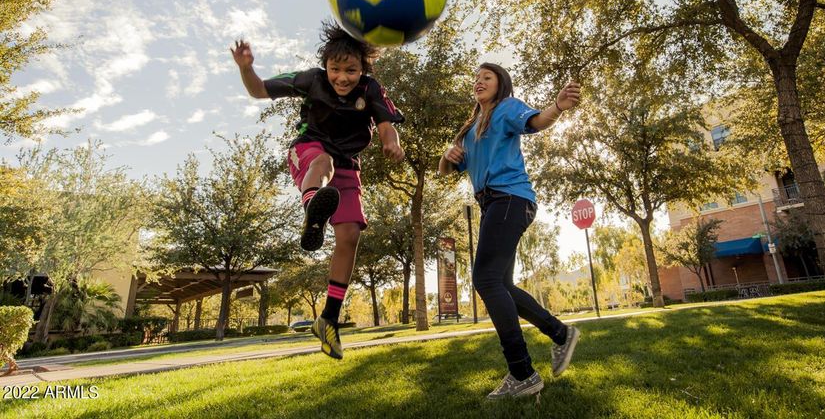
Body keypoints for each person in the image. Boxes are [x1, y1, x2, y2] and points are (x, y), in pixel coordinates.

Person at [232, 21, 405, 359]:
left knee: (350, 236)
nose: (342, 77)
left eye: (351, 70)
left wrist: (392, 144)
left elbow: (387, 127)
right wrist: (247, 67)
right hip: (310, 152)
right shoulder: (310, 79)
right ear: (326, 67)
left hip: (349, 165)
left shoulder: (371, 89)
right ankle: (313, 206)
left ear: (363, 68)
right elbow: (258, 91)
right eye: (335, 69)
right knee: (322, 163)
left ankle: (328, 319)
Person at [439, 63, 581, 400]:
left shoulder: (506, 108)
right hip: (495, 205)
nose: (479, 81)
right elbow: (446, 169)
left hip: (509, 198)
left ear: (501, 84)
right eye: (476, 78)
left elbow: (537, 121)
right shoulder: (471, 127)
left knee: (485, 280)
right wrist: (447, 156)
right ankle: (560, 334)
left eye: (487, 77)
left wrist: (558, 107)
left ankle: (522, 372)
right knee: (501, 284)